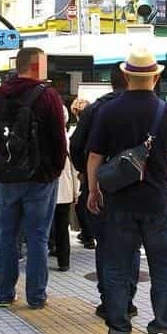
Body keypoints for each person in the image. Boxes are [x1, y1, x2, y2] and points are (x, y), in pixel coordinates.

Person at [87, 48, 167, 334]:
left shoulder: (108, 111)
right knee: (162, 270)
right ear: (155, 77)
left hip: (118, 203)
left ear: (127, 76)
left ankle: (118, 332)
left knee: (116, 269)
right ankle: (161, 331)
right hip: (158, 203)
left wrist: (94, 190)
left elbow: (94, 157)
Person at [0, 47, 67, 309]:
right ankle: (36, 296)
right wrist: (54, 169)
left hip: (7, 177)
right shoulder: (48, 95)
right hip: (41, 178)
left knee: (7, 234)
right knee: (37, 237)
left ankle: (5, 294)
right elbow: (58, 139)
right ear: (34, 67)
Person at [70, 67, 140, 320]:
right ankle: (128, 300)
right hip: (137, 189)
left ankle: (109, 301)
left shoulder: (95, 109)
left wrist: (86, 176)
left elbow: (77, 146)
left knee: (106, 246)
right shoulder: (150, 107)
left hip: (100, 187)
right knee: (131, 245)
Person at [52, 106, 79, 272]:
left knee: (43, 225)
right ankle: (64, 260)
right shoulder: (67, 137)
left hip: (46, 187)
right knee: (62, 226)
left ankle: (51, 250)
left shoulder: (45, 134)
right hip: (65, 187)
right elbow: (73, 168)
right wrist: (76, 191)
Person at [69, 97, 96, 250]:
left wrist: (81, 170)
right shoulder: (98, 126)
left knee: (83, 203)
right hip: (100, 170)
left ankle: (88, 234)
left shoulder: (77, 131)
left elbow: (76, 148)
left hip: (84, 171)